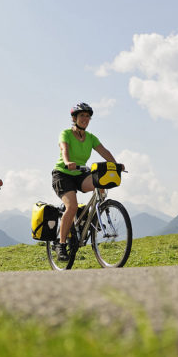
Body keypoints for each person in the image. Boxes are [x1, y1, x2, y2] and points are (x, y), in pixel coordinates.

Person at [52, 102, 120, 260]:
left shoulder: (90, 138)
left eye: (88, 116)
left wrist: (116, 165)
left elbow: (104, 151)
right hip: (63, 174)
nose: (85, 119)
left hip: (80, 174)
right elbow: (64, 149)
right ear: (74, 118)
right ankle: (61, 245)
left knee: (100, 181)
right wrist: (68, 162)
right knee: (72, 206)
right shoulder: (66, 133)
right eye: (82, 115)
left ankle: (99, 209)